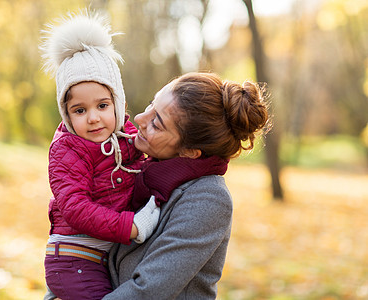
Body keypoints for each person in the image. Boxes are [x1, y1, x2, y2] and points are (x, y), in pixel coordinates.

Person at [103, 72, 270, 299]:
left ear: (189, 152)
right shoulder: (139, 170)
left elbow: (149, 290)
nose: (140, 118)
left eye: (156, 123)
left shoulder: (208, 199)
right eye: (152, 104)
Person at [40, 12, 160, 300]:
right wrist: (131, 227)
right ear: (66, 114)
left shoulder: (129, 137)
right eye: (79, 110)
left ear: (119, 103)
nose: (92, 118)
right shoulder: (68, 149)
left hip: (102, 257)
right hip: (73, 259)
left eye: (102, 106)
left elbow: (152, 161)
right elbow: (75, 208)